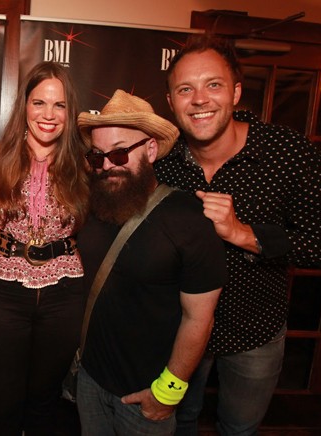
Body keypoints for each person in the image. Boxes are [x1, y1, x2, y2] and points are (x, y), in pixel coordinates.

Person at [157, 35, 321, 435]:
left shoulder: (285, 152)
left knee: (240, 428)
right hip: (177, 334)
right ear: (171, 103)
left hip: (254, 332)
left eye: (213, 85)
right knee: (176, 425)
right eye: (185, 89)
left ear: (235, 92)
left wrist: (246, 234)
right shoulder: (162, 161)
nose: (199, 99)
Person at [74, 90, 227, 435]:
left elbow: (199, 318)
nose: (107, 165)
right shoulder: (93, 206)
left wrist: (167, 392)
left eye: (118, 153)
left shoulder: (189, 220)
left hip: (144, 397)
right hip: (89, 382)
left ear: (152, 149)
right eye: (97, 157)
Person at [0, 61, 90, 435]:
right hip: (5, 289)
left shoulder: (84, 163)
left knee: (45, 400)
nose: (49, 114)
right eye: (39, 102)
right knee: (3, 400)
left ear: (69, 111)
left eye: (59, 105)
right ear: (24, 106)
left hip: (65, 291)